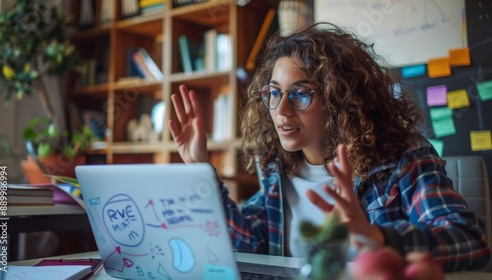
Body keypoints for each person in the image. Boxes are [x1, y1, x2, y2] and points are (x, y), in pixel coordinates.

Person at [168, 22, 491, 272]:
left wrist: (378, 238)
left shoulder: (402, 159)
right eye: (274, 93)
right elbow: (248, 241)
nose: (281, 110)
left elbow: (469, 240)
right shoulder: (277, 167)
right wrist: (201, 169)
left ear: (342, 100)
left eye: (301, 93)